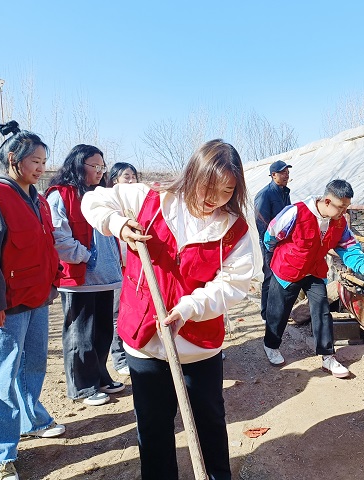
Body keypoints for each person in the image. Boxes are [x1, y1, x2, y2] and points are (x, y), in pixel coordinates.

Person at [81, 139, 256, 480]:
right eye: (209, 187)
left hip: (197, 344)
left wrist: (189, 308)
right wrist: (118, 225)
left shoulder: (234, 228)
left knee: (208, 421)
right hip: (144, 340)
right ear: (192, 175)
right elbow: (94, 200)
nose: (215, 198)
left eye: (226, 191)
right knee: (153, 424)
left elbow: (233, 284)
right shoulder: (149, 200)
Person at [0, 121, 65, 480]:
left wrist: (53, 283)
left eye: (43, 161)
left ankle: (30, 419)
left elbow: (46, 246)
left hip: (36, 299)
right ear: (13, 159)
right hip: (4, 309)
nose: (41, 167)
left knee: (32, 367)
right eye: (35, 161)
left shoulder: (37, 200)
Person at [262, 179, 364, 377]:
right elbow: (271, 236)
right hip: (287, 269)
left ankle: (328, 357)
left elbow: (349, 248)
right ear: (327, 201)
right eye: (341, 207)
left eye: (347, 207)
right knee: (278, 311)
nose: (344, 212)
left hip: (315, 269)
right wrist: (278, 258)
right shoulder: (295, 212)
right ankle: (271, 345)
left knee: (322, 310)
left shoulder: (339, 223)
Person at [46, 145, 124, 406]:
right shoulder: (61, 195)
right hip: (79, 279)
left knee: (102, 333)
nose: (101, 172)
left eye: (103, 167)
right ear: (79, 165)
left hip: (105, 278)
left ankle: (100, 377)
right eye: (95, 166)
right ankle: (82, 387)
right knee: (80, 335)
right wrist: (86, 256)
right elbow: (58, 236)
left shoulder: (99, 196)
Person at [107, 162, 140, 376]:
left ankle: (133, 351)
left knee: (134, 310)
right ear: (114, 181)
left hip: (136, 268)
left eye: (133, 176)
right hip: (117, 268)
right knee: (116, 313)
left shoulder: (139, 202)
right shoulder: (108, 205)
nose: (131, 180)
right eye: (126, 176)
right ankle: (119, 358)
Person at [253, 160, 291, 322]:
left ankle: (278, 311)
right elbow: (262, 222)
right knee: (269, 276)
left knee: (282, 275)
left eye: (287, 172)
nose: (286, 175)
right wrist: (270, 243)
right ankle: (265, 313)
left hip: (284, 243)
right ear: (273, 175)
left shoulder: (285, 192)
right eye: (282, 172)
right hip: (270, 243)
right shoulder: (265, 194)